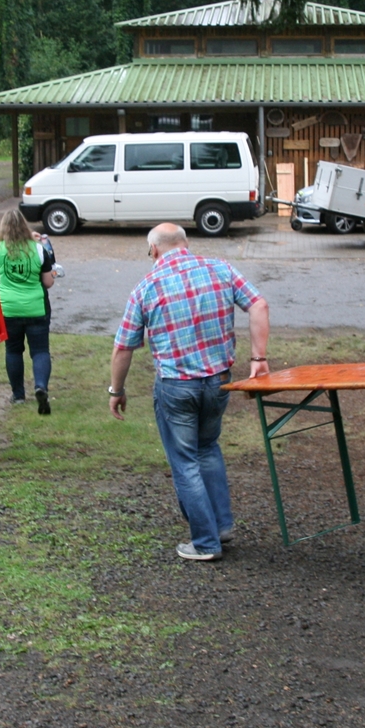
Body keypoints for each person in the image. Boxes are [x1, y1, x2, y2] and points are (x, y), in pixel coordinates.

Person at [109, 223, 270, 562]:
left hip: (176, 387)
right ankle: (221, 526)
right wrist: (258, 358)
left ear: (154, 250)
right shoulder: (221, 269)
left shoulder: (146, 287)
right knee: (208, 448)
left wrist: (117, 389)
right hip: (217, 381)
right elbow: (258, 305)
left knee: (185, 463)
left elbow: (123, 347)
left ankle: (206, 542)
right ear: (186, 243)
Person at [0, 209, 57, 414]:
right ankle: (40, 386)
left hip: (9, 308)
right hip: (36, 307)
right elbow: (48, 282)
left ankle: (18, 395)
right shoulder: (38, 249)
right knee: (40, 351)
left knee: (13, 350)